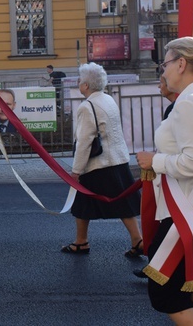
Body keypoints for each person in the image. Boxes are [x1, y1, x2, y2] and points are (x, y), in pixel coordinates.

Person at [136, 37, 193, 325]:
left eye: (166, 63)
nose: (164, 70)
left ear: (181, 64)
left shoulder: (189, 103)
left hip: (190, 213)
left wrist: (153, 161)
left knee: (165, 293)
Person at [63, 62, 142, 256]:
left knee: (83, 202)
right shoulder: (108, 99)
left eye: (80, 81)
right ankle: (136, 240)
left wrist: (76, 171)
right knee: (121, 203)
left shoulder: (86, 106)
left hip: (98, 164)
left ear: (86, 86)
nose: (79, 83)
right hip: (117, 159)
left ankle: (82, 242)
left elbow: (84, 141)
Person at [133, 75, 179, 279]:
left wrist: (155, 161)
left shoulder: (179, 108)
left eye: (162, 81)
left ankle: (159, 268)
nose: (159, 85)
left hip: (177, 183)